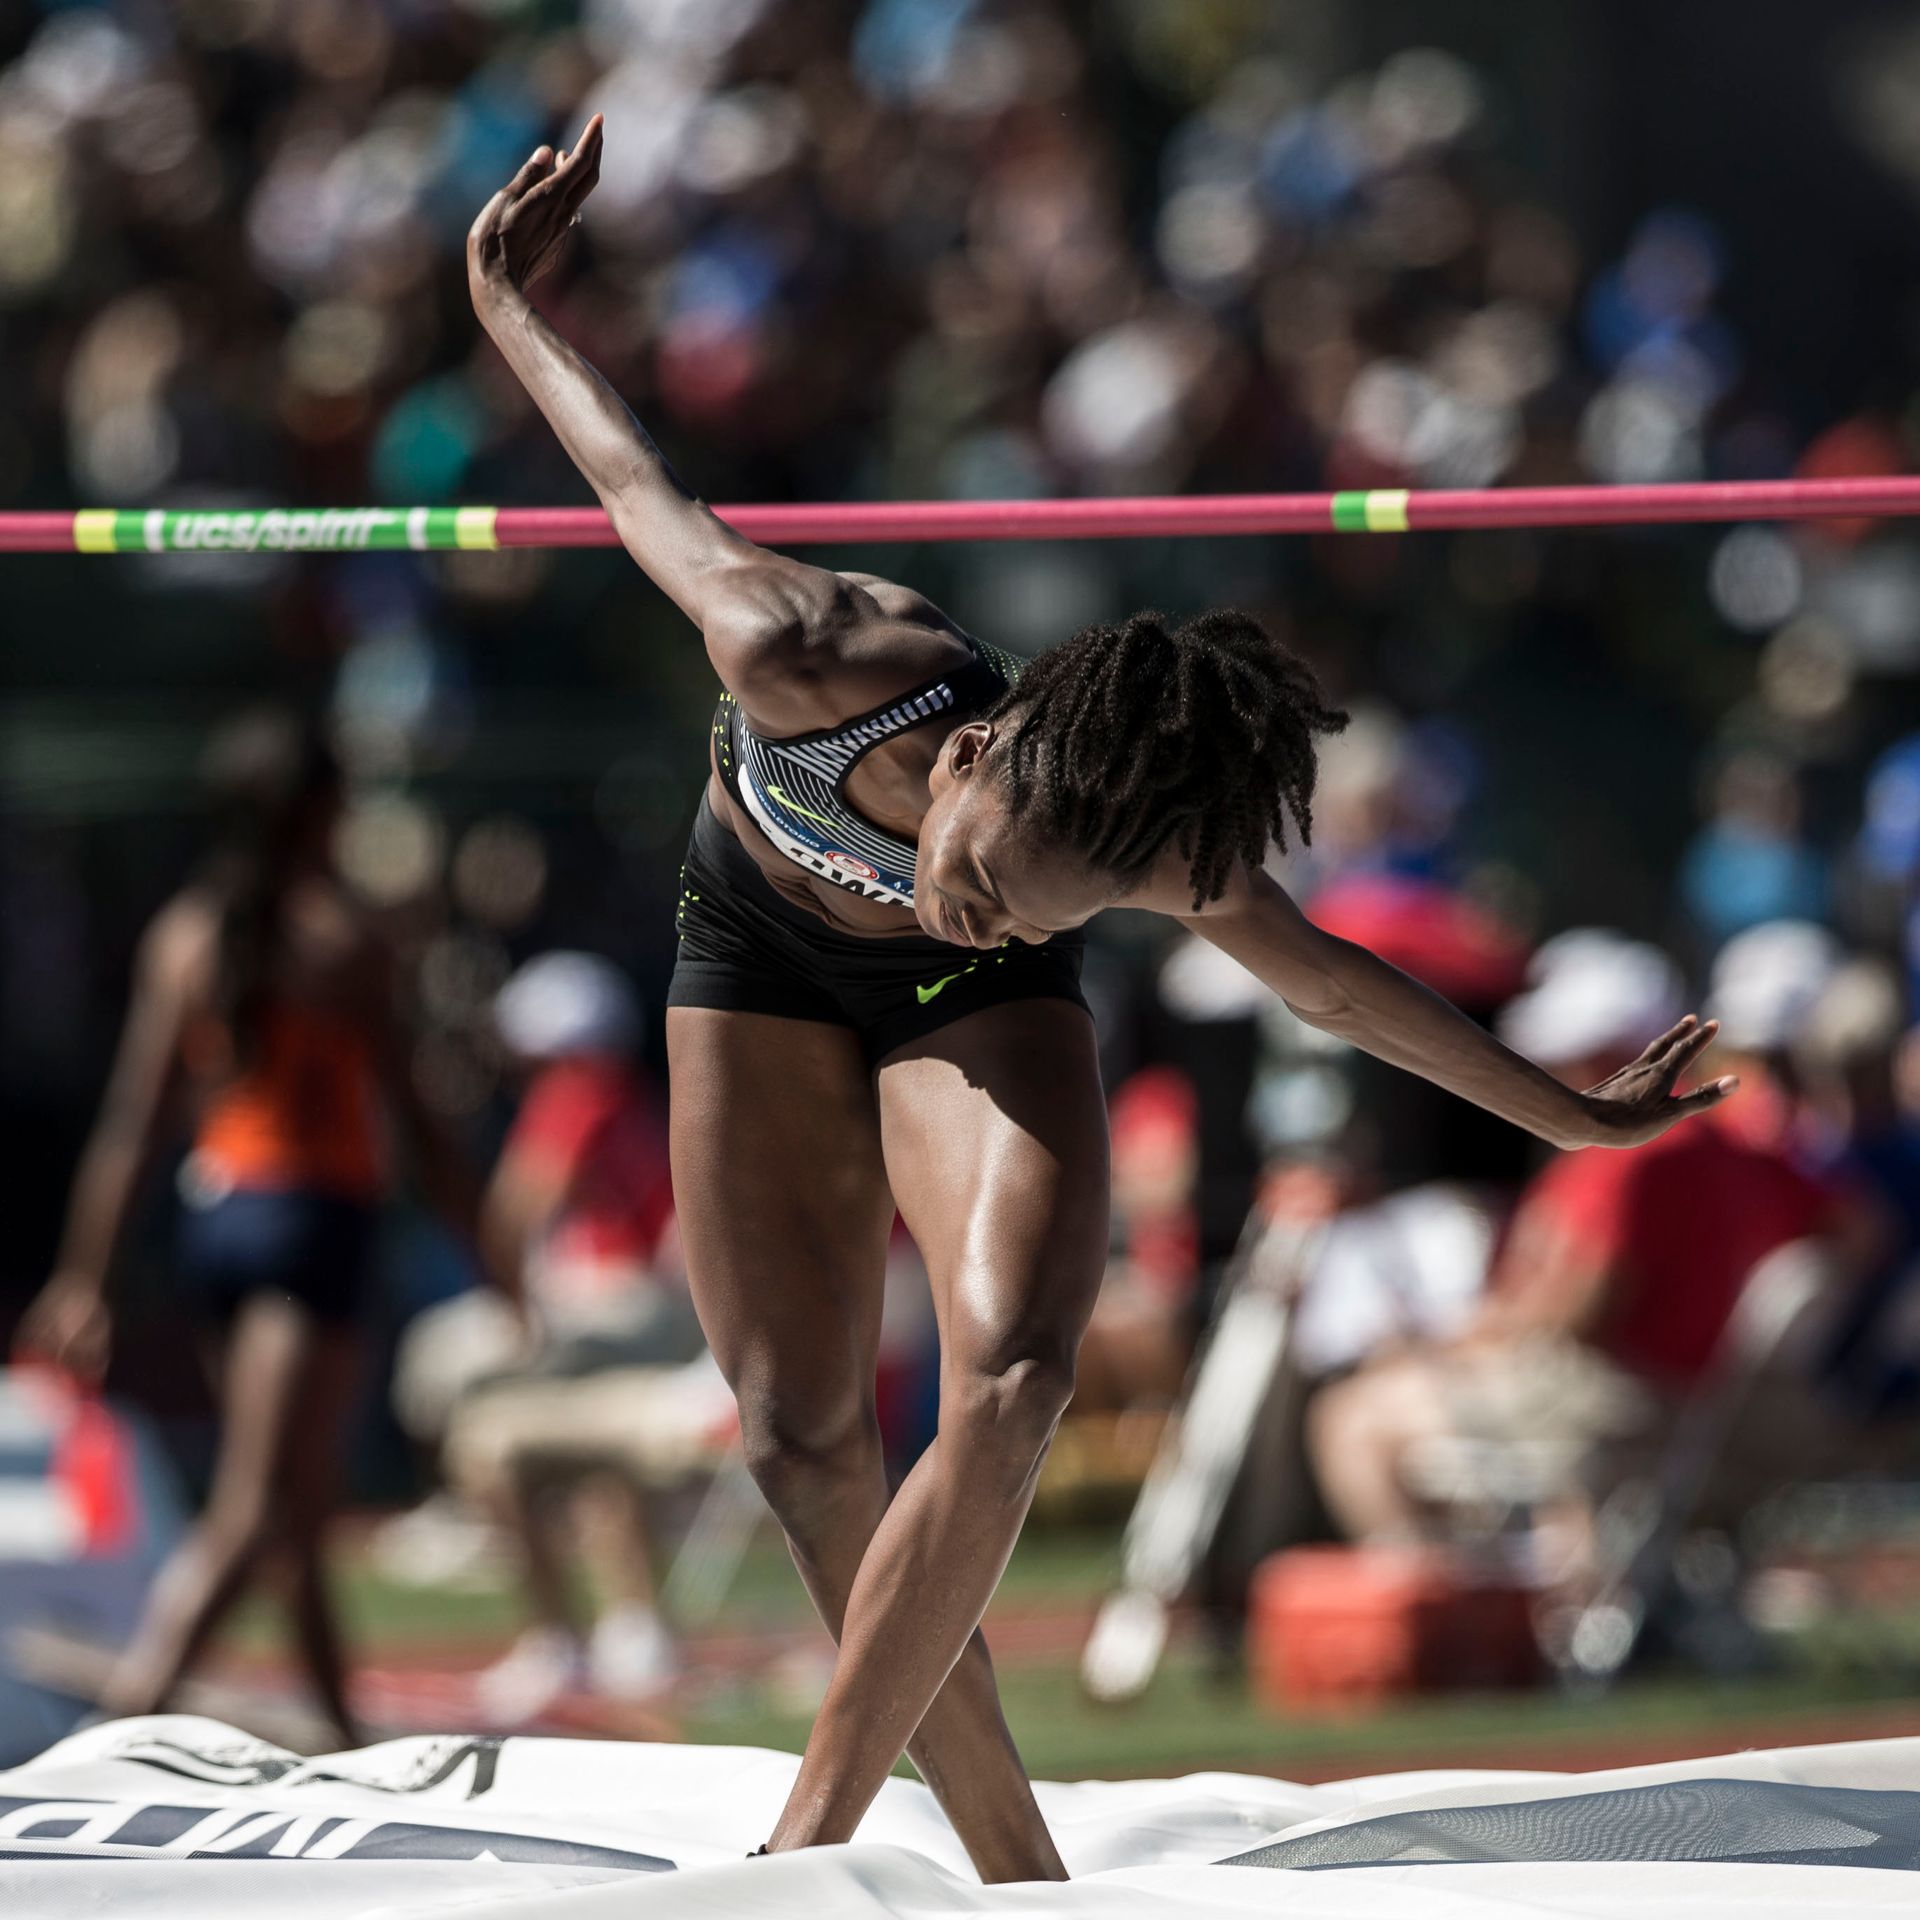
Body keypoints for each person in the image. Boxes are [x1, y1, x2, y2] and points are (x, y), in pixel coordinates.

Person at [465, 119, 1738, 1882]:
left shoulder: (1149, 859)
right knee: (797, 1434)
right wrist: (508, 307)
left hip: (949, 1022)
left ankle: (801, 1854)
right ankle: (1015, 1871)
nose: (973, 904)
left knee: (1016, 1375)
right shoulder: (797, 648)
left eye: (1030, 914)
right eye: (983, 874)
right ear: (974, 753)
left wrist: (1576, 1112)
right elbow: (631, 485)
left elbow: (1355, 998)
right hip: (753, 957)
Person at [14, 710, 478, 1748]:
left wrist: (86, 1274)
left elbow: (135, 1122)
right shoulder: (345, 934)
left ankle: (343, 1734)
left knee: (298, 1506)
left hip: (218, 1216)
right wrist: (482, 1241)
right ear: (321, 809)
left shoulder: (185, 932)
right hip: (314, 1217)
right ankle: (121, 1729)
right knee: (258, 1505)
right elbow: (414, 1113)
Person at [1308, 931, 1862, 1559]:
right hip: (1695, 1402)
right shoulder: (1738, 1147)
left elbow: (1579, 1314)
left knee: (1351, 1419)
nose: (1558, 1074)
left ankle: (1431, 1621)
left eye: (1582, 1056)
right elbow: (1856, 1230)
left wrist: (1451, 1344)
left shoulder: (1628, 1155)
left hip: (1618, 1401)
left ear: (1630, 1054)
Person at [443, 951, 704, 1723]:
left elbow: (515, 1207)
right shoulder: (632, 1094)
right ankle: (632, 1628)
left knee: (484, 1439)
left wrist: (510, 1304)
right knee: (593, 1452)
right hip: (643, 1308)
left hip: (612, 1304)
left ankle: (563, 1638)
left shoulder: (577, 1089)